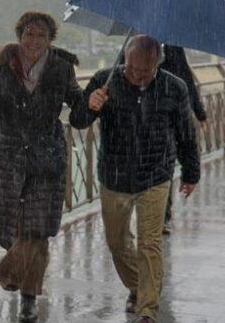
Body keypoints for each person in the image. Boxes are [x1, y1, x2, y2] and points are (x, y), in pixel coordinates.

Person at [70, 35, 201, 323]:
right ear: (125, 60)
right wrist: (91, 106)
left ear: (158, 64)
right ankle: (138, 285)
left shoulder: (173, 87)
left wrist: (191, 172)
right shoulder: (106, 80)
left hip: (155, 175)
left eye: (145, 70)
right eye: (132, 69)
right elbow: (77, 120)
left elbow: (186, 134)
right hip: (113, 176)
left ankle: (147, 310)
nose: (137, 75)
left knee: (150, 243)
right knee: (116, 242)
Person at [0, 11, 84, 323]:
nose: (34, 41)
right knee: (10, 231)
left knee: (35, 231)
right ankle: (20, 270)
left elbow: (76, 103)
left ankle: (27, 298)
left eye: (41, 35)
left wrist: (91, 102)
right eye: (29, 34)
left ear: (50, 40)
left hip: (45, 157)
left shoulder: (62, 67)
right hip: (6, 155)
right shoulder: (2, 65)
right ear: (19, 35)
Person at [159, 45, 207, 234]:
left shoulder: (172, 48)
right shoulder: (133, 47)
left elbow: (185, 79)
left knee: (163, 167)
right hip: (138, 120)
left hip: (167, 118)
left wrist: (199, 112)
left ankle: (162, 216)